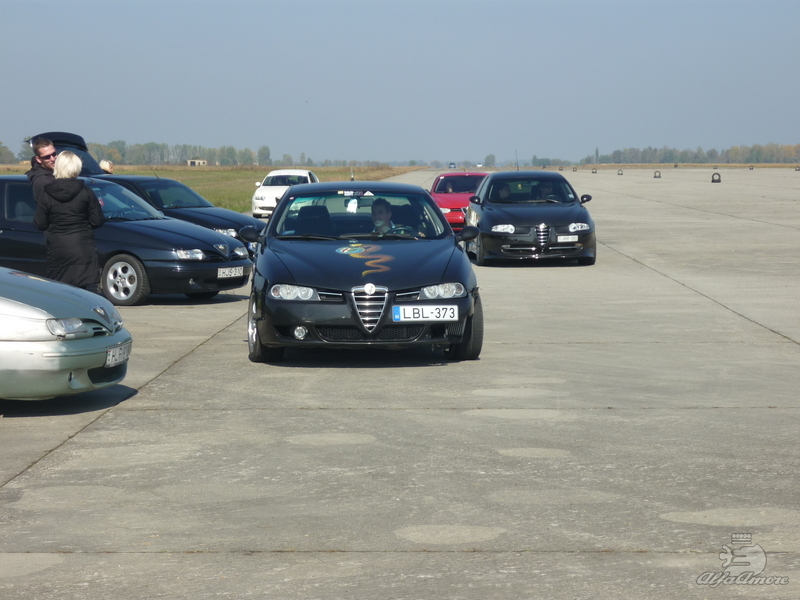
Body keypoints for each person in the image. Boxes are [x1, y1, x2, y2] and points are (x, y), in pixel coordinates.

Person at [33, 151, 105, 293]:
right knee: (83, 292)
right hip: (82, 247)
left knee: (60, 291)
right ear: (77, 167)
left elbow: (39, 223)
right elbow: (97, 220)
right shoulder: (86, 192)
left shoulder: (47, 193)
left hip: (58, 248)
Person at [25, 137, 57, 203]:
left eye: (53, 154)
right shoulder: (44, 181)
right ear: (38, 159)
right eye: (47, 157)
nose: (52, 159)